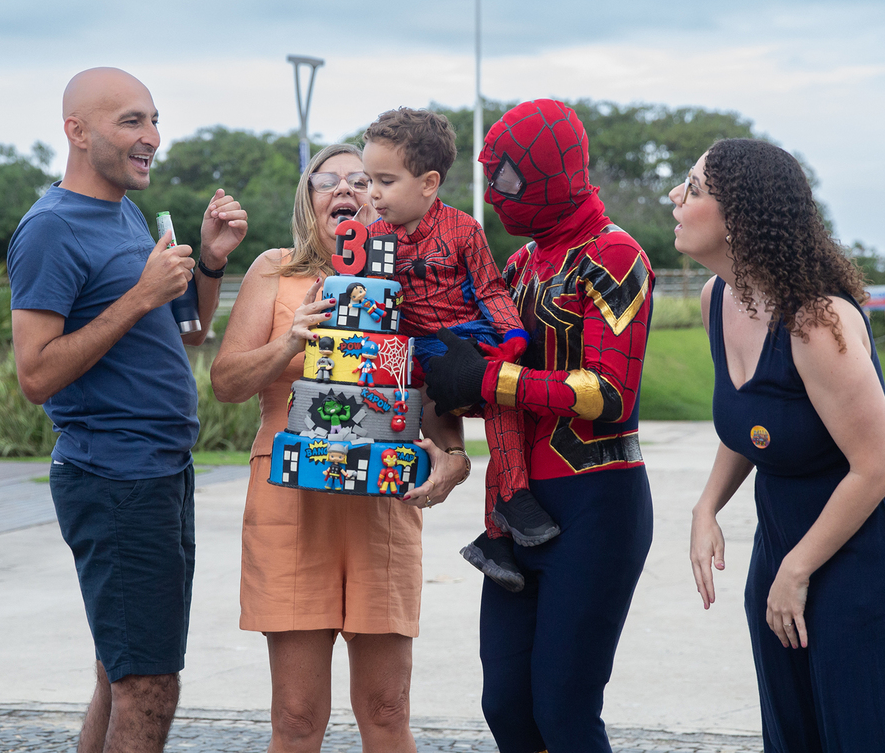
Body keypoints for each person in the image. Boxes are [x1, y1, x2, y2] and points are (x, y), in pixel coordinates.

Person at [7, 67, 247, 753]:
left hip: (159, 471)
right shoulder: (49, 229)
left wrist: (209, 263)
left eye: (153, 120)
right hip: (114, 476)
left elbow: (186, 333)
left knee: (121, 673)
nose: (153, 138)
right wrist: (139, 296)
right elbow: (35, 373)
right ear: (77, 133)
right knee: (149, 681)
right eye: (131, 122)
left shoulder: (126, 213)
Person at [210, 143, 469, 753]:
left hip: (383, 497)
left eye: (362, 180)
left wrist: (452, 461)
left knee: (386, 710)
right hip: (289, 499)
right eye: (329, 181)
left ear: (382, 199)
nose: (346, 190)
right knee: (297, 718)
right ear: (309, 199)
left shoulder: (412, 282)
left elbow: (441, 395)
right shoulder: (274, 270)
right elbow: (226, 382)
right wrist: (290, 343)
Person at [426, 99, 655, 753]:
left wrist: (488, 380)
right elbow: (496, 390)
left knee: (564, 707)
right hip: (517, 505)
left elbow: (611, 395)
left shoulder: (613, 256)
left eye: (508, 180)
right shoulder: (525, 265)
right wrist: (436, 377)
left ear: (552, 173)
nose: (496, 196)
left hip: (597, 501)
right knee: (507, 705)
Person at [679, 138, 885, 751]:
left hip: (854, 562)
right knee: (791, 734)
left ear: (737, 219)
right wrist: (706, 506)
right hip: (779, 555)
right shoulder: (716, 300)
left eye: (693, 189)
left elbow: (877, 465)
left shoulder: (816, 322)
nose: (676, 198)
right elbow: (758, 424)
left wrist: (798, 568)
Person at [360, 108, 551, 592]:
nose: (373, 193)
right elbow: (366, 302)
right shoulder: (371, 238)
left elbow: (489, 289)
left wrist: (512, 338)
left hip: (465, 337)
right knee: (394, 386)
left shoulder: (463, 229)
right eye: (369, 180)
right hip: (410, 349)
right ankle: (368, 453)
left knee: (501, 394)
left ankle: (512, 500)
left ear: (428, 182)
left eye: (385, 180)